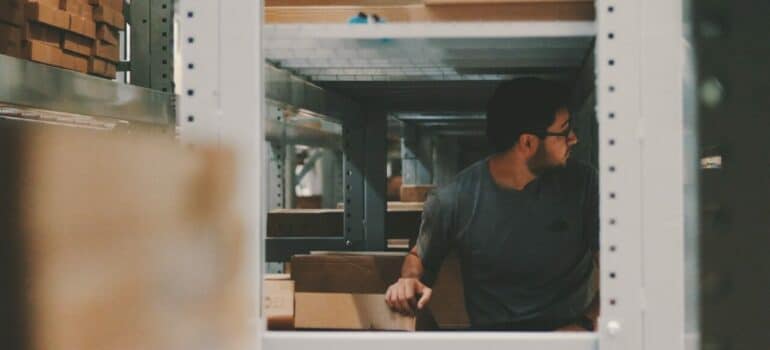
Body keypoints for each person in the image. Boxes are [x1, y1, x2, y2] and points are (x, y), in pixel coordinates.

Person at [384, 77, 599, 331]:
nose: (573, 138)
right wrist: (408, 280)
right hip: (495, 341)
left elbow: (619, 268)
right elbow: (420, 256)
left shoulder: (584, 185)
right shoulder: (454, 199)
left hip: (572, 339)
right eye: (564, 131)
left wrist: (585, 324)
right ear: (528, 143)